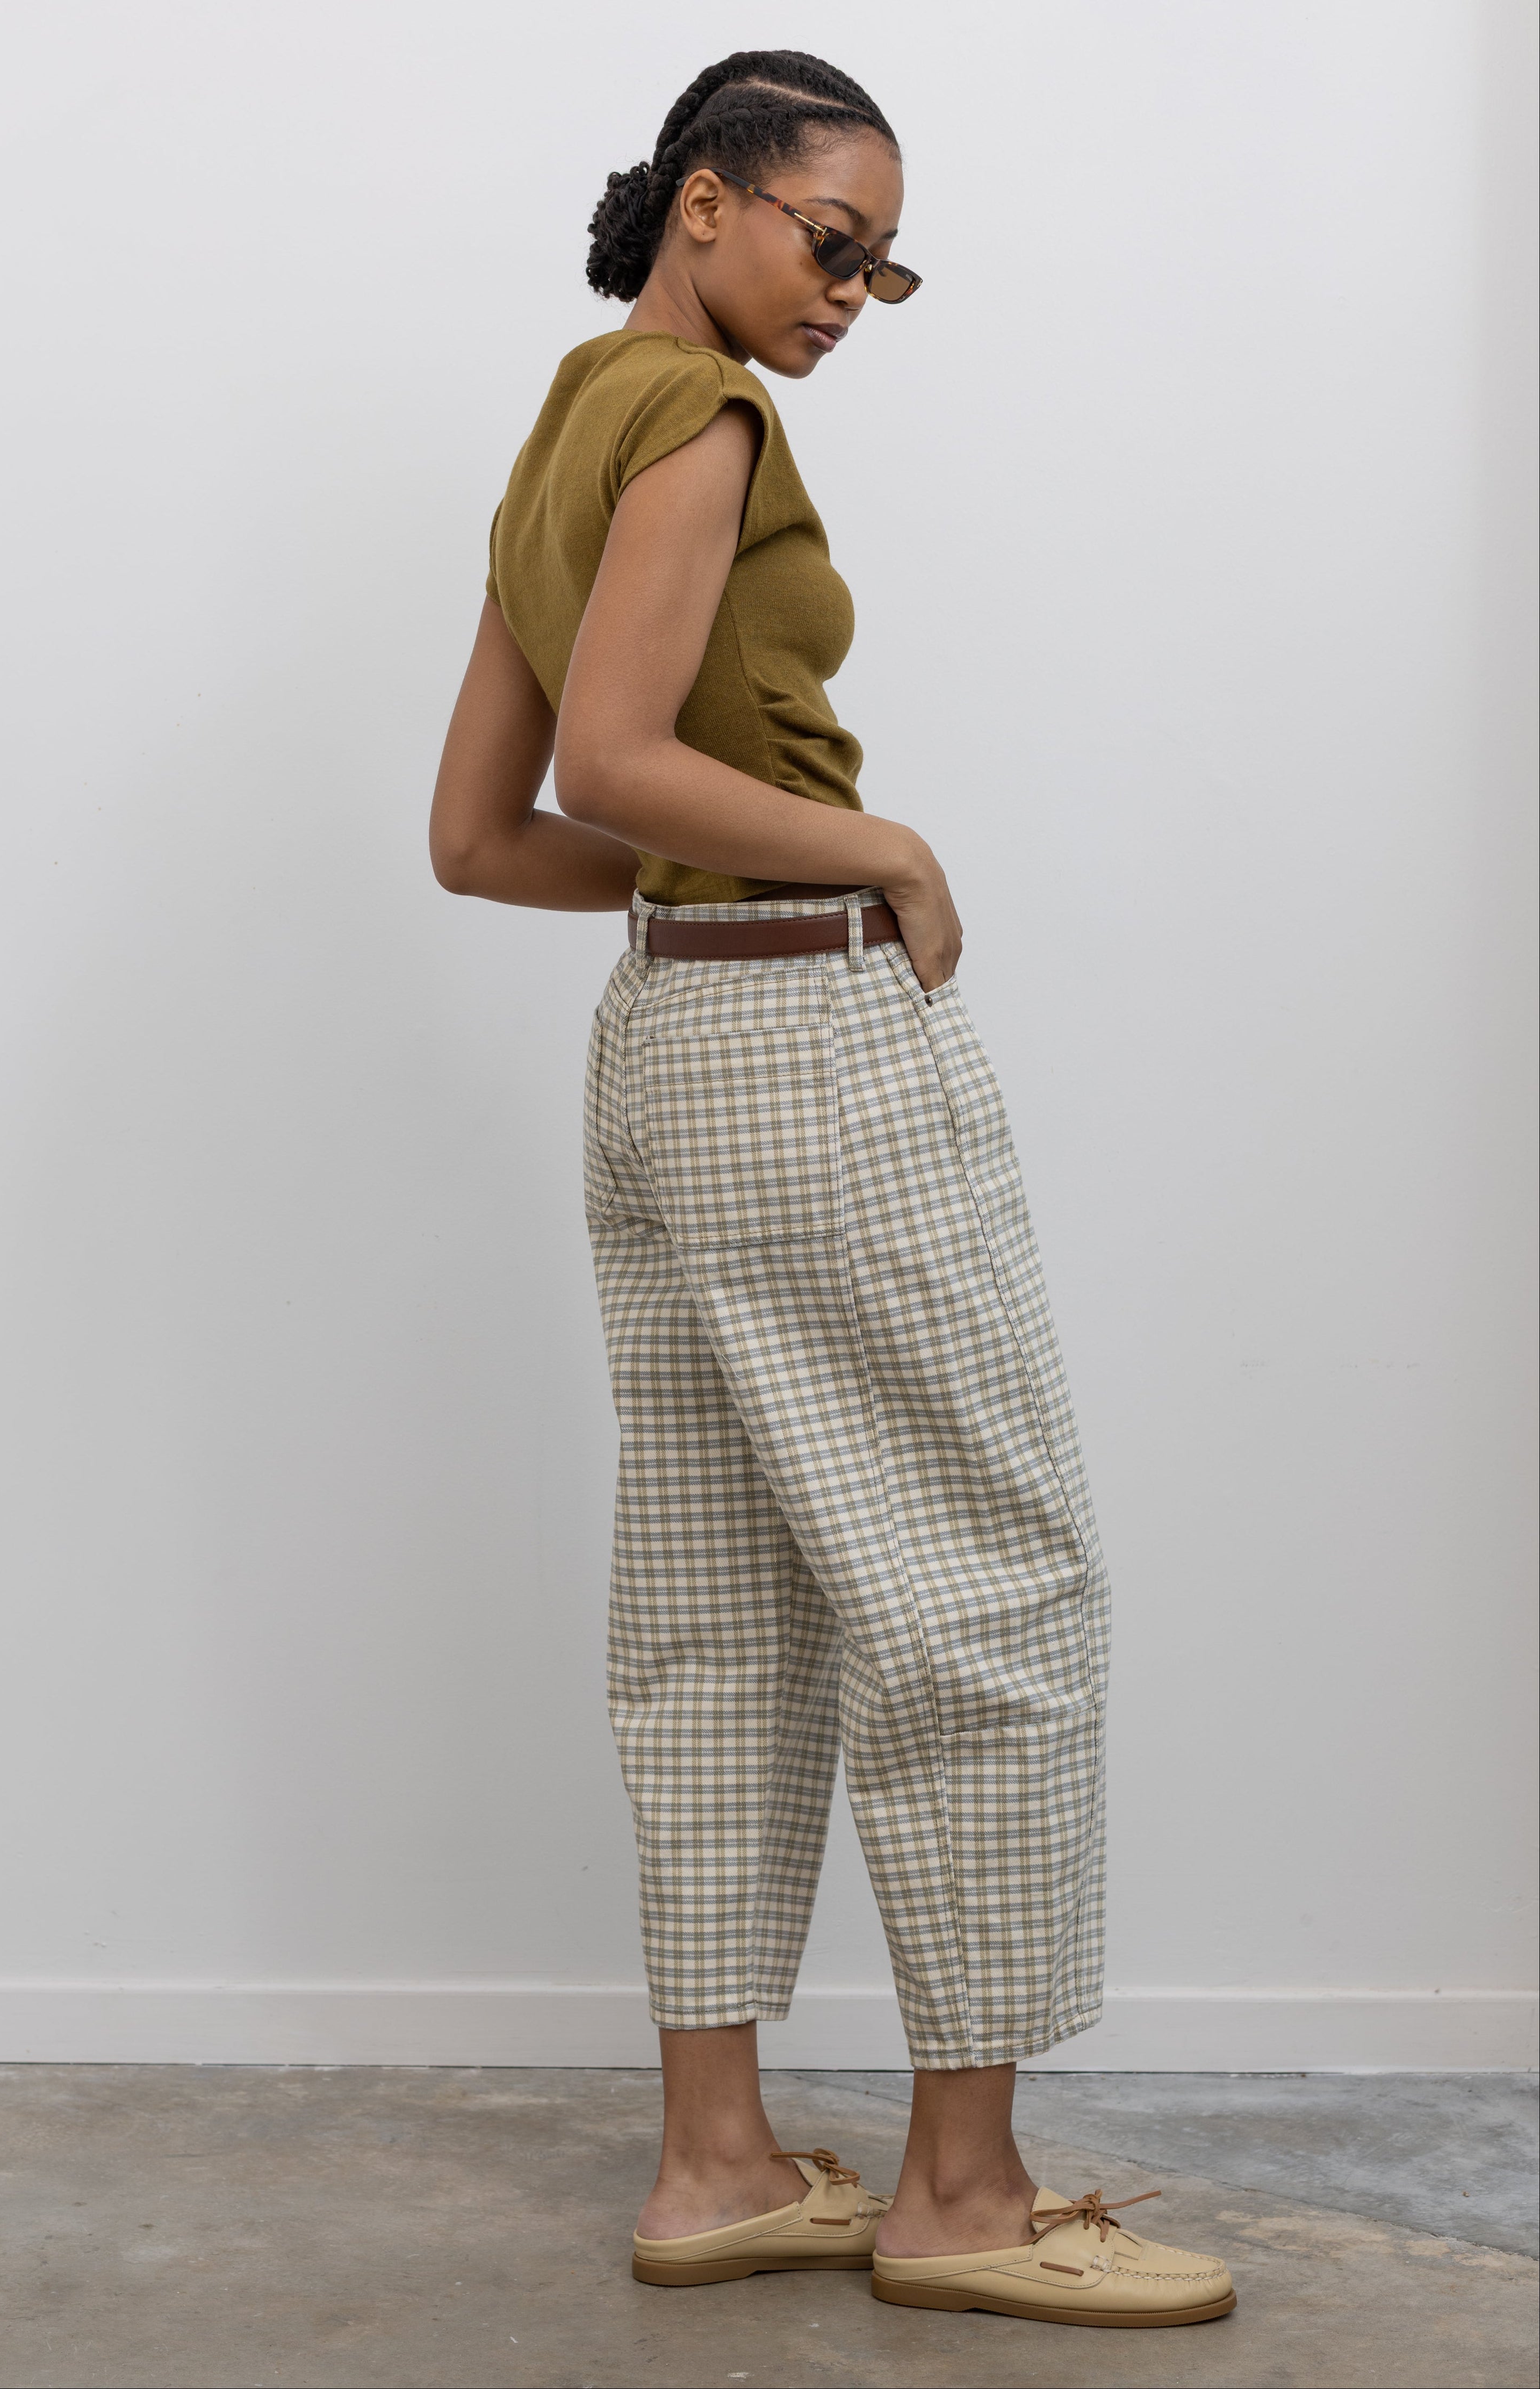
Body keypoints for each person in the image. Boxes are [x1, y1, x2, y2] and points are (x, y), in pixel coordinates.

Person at [429, 47, 1235, 2330]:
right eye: (829, 239)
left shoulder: (560, 432)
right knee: (988, 1587)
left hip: (662, 1047)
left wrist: (700, 879)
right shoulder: (701, 422)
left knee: (717, 1606)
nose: (852, 294)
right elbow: (615, 760)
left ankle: (714, 2159)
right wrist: (880, 848)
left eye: (883, 268)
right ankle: (965, 2195)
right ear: (706, 198)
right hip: (801, 1037)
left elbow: (483, 838)